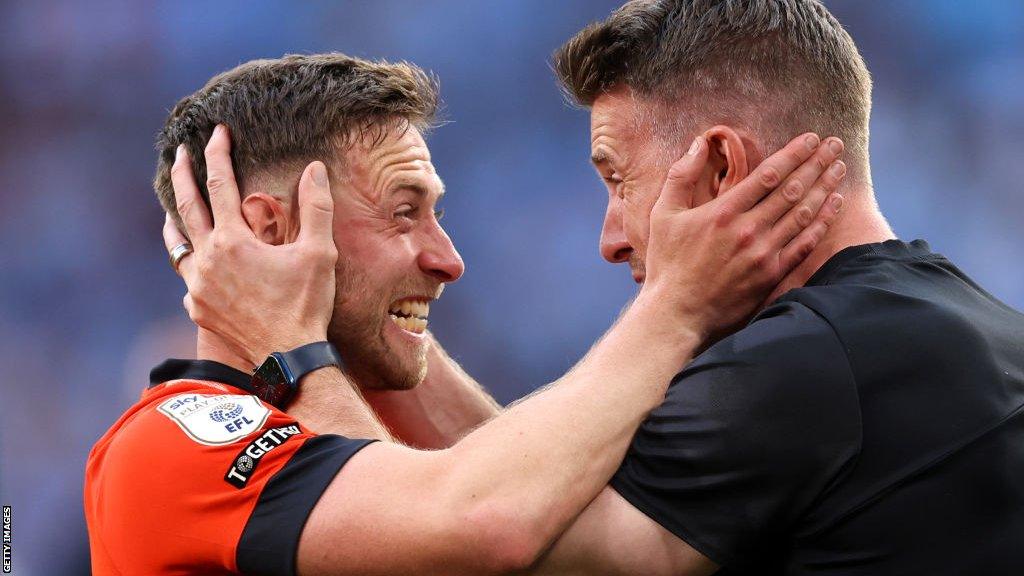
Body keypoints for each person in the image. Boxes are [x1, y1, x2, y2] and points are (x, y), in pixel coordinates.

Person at [83, 53, 845, 574]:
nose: (449, 258)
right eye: (403, 212)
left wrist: (335, 334)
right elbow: (486, 526)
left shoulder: (338, 407)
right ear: (274, 229)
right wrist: (677, 306)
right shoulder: (173, 445)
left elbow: (540, 506)